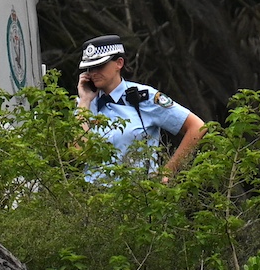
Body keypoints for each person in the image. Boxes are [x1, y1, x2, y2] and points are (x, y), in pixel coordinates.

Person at [75, 35, 206, 181]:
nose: (94, 72)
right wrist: (85, 100)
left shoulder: (144, 97)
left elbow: (197, 127)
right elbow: (77, 153)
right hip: (94, 198)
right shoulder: (84, 106)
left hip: (137, 197)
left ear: (119, 63)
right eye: (90, 67)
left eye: (100, 66)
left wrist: (168, 172)